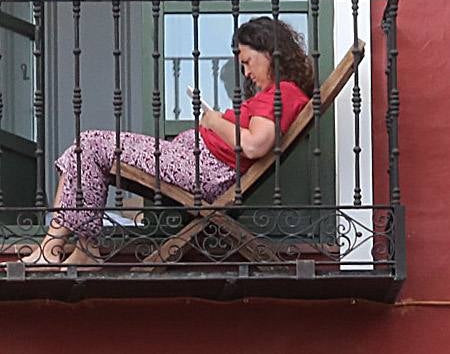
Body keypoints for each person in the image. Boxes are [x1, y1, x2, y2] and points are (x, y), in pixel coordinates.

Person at [22, 16, 315, 266]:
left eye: (248, 62)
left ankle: (54, 248)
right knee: (86, 151)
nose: (247, 73)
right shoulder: (276, 94)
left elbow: (253, 145)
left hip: (207, 171)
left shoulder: (283, 93)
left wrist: (213, 121)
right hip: (195, 161)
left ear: (270, 53)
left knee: (89, 144)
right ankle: (82, 249)